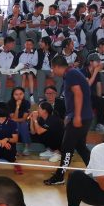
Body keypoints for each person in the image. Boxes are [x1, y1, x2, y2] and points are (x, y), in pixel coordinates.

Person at [44, 56, 93, 186]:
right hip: (82, 116)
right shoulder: (71, 73)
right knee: (80, 146)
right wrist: (70, 115)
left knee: (66, 147)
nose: (53, 71)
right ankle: (96, 171)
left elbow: (78, 94)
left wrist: (77, 116)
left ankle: (60, 176)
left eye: (53, 68)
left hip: (81, 116)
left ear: (57, 66)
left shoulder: (71, 74)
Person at [0, 103, 23, 176]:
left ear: (0, 110)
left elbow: (15, 139)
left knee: (12, 157)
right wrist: (2, 141)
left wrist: (6, 139)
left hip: (9, 145)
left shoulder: (12, 123)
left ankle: (16, 163)